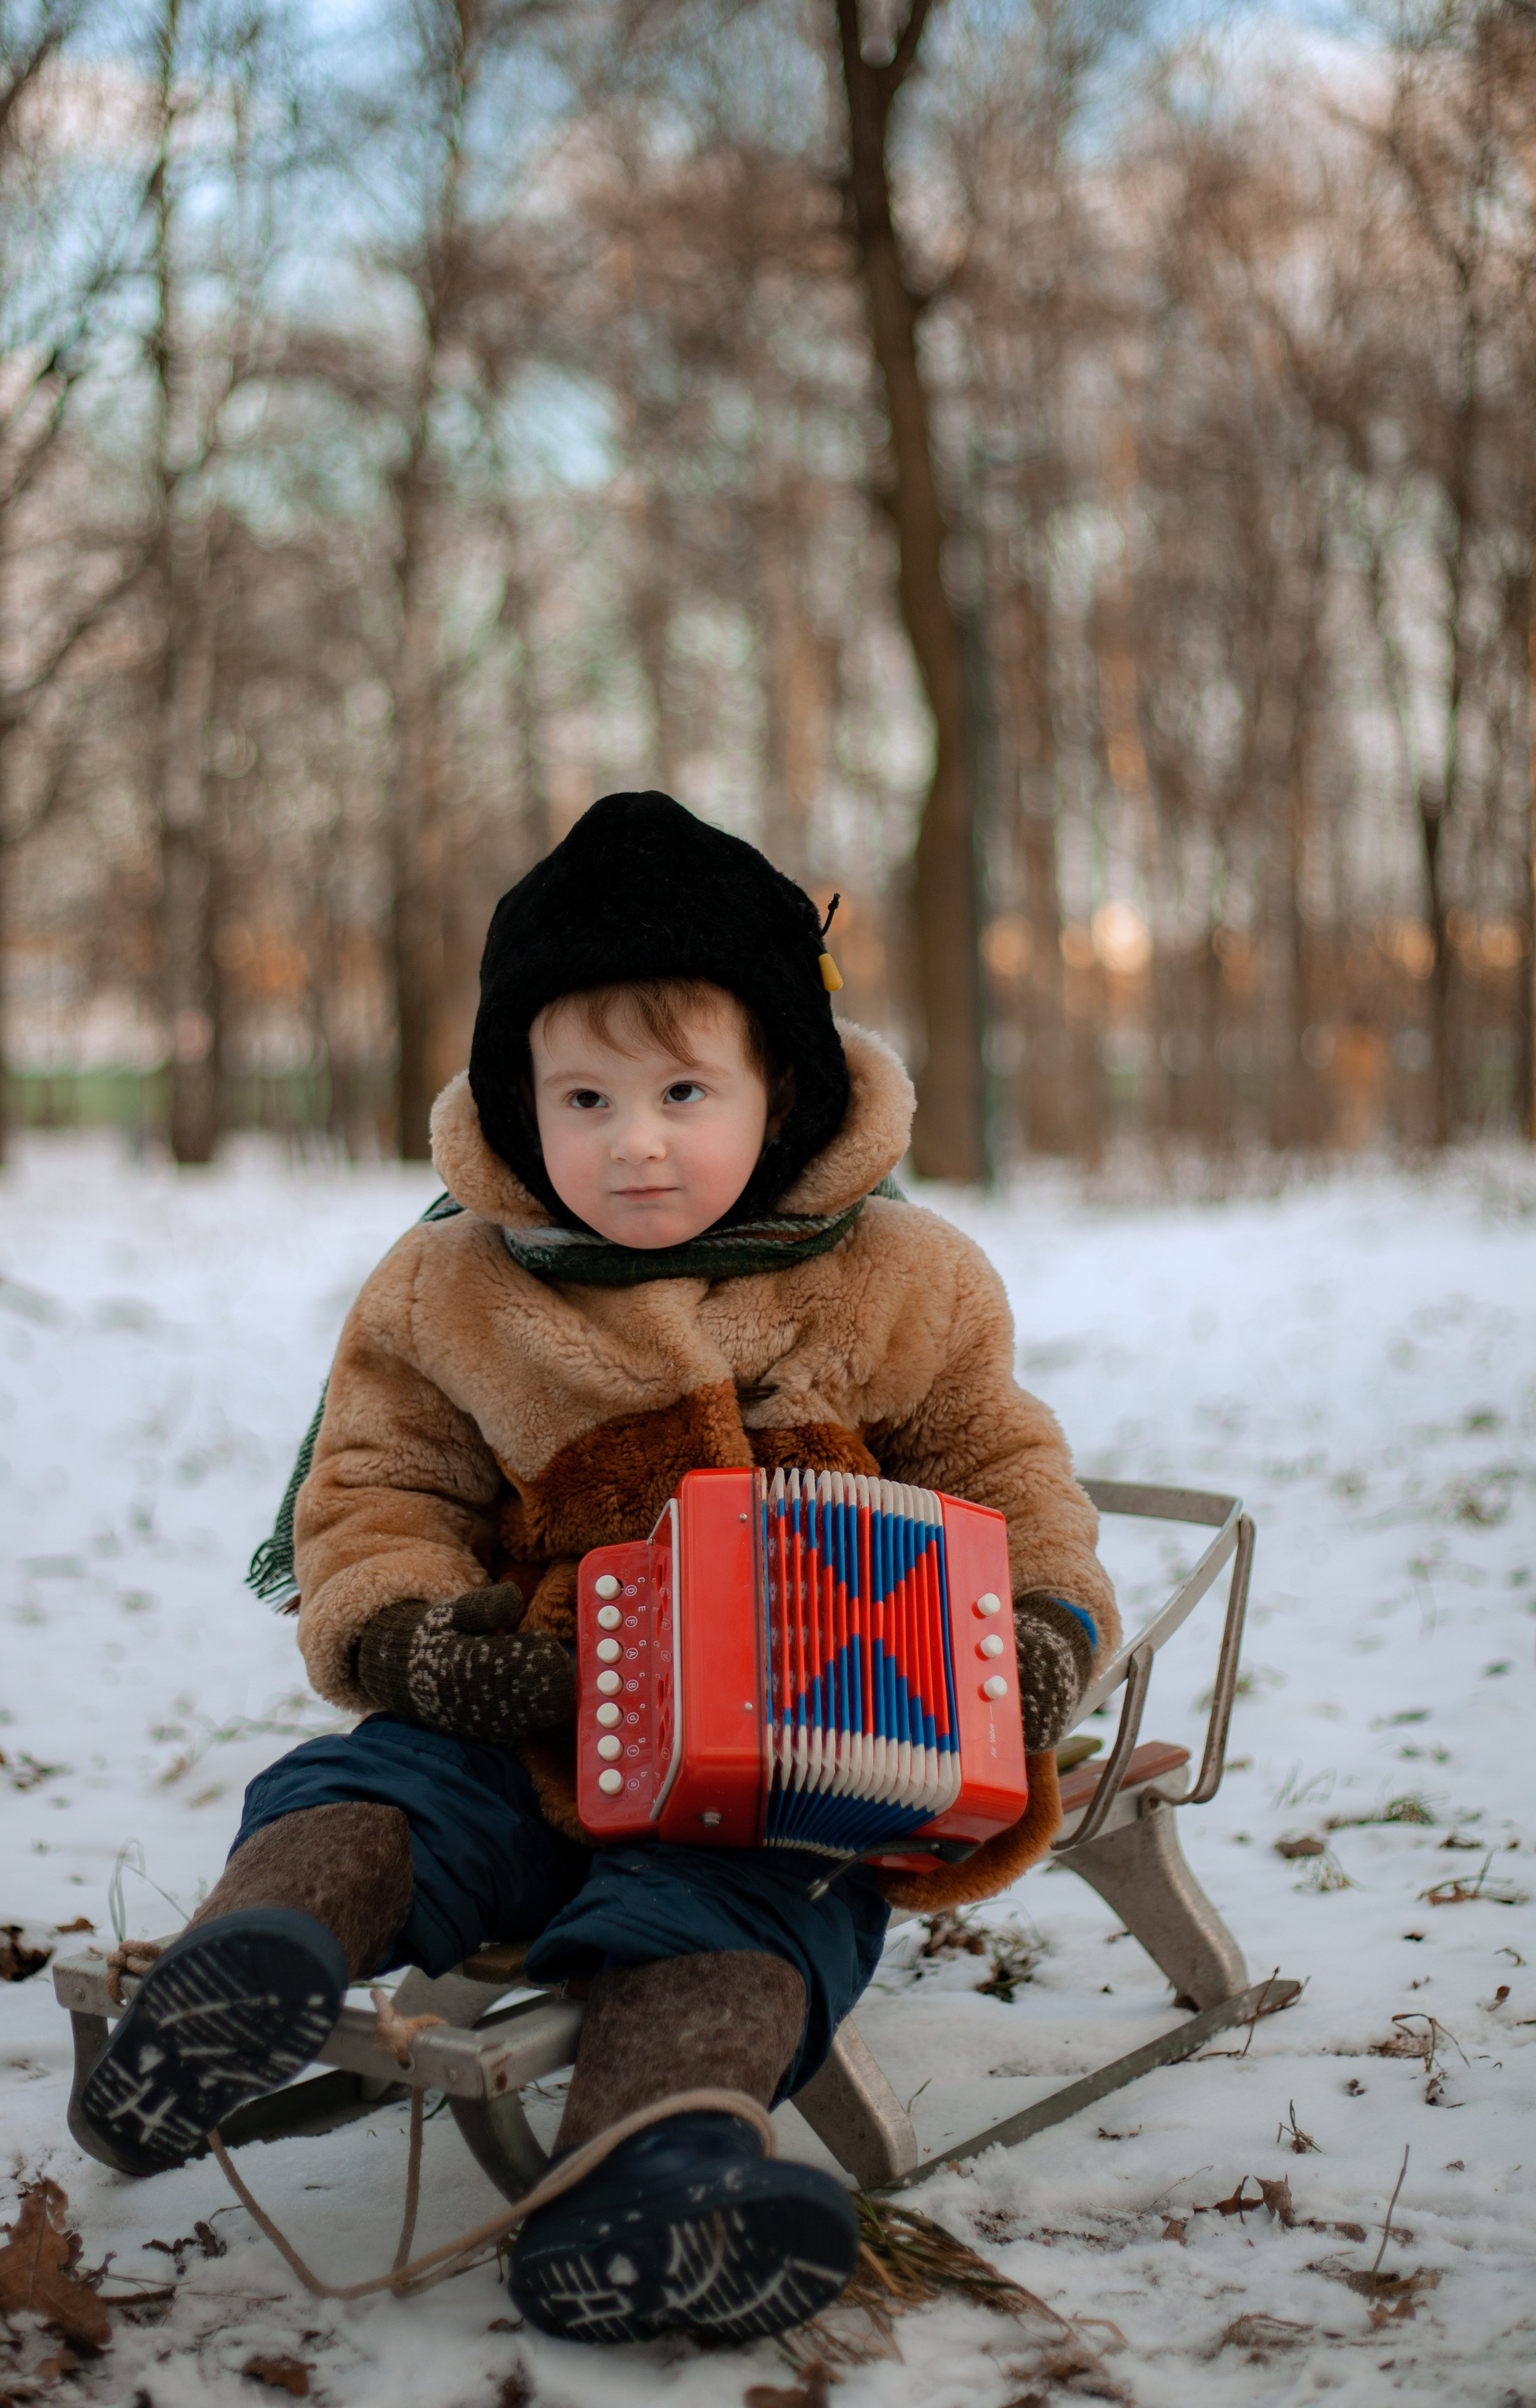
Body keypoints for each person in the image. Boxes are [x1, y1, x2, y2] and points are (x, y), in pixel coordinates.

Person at [75, 792, 1119, 2347]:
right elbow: (376, 1491)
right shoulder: (450, 1290)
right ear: (518, 1104)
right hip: (526, 1718)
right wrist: (420, 1642)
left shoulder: (903, 1280)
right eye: (582, 1098)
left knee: (746, 1914)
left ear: (782, 1085)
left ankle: (647, 2180)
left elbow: (1002, 1468)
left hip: (790, 1759)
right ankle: (244, 1971)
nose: (633, 1140)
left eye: (684, 1090)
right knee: (373, 1792)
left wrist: (1034, 1628)